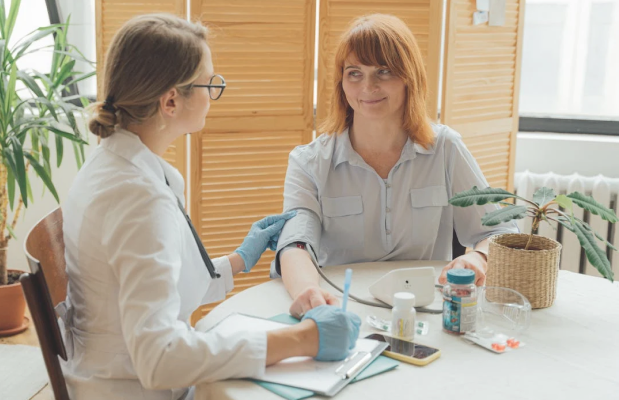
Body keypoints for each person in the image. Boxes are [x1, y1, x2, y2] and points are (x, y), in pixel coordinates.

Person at [59, 14, 360, 400]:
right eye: (209, 83)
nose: (214, 93)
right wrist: (302, 340)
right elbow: (159, 359)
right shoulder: (138, 199)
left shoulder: (114, 165)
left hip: (109, 371)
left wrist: (236, 261)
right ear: (171, 100)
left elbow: (149, 289)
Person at [272, 14, 519, 318]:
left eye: (384, 71)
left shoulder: (446, 148)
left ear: (408, 77)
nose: (368, 86)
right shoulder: (308, 162)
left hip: (426, 312)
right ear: (341, 82)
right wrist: (307, 292)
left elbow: (501, 231)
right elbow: (294, 245)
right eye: (354, 73)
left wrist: (478, 259)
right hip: (340, 309)